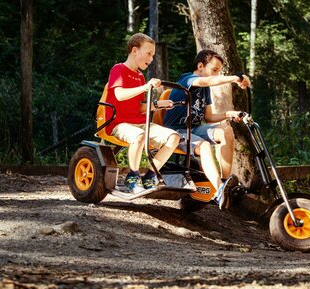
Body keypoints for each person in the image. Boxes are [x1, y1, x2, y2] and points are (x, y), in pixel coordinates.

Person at [163, 49, 251, 209]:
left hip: (195, 129)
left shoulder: (205, 90)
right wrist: (235, 78)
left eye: (219, 72)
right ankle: (219, 190)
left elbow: (208, 117)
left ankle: (225, 184)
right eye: (215, 70)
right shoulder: (187, 79)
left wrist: (228, 114)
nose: (217, 75)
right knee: (204, 146)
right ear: (201, 65)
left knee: (226, 131)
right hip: (176, 132)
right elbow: (206, 81)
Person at [105, 33, 180, 194]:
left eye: (153, 55)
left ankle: (150, 175)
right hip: (119, 123)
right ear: (134, 50)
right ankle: (132, 176)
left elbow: (139, 107)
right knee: (139, 136)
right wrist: (146, 87)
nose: (151, 58)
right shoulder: (118, 69)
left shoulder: (139, 76)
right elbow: (119, 95)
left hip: (139, 122)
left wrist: (158, 104)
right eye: (149, 53)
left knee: (174, 137)